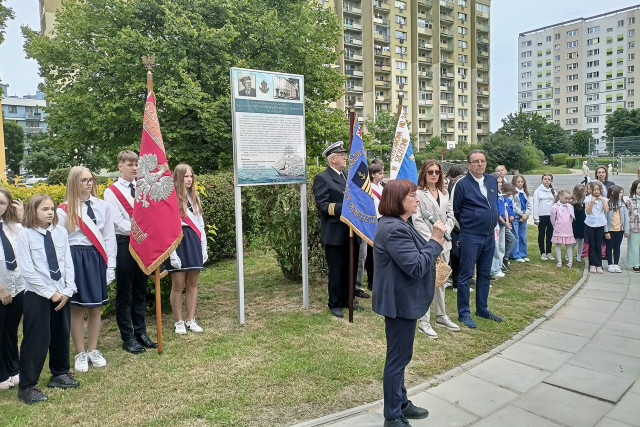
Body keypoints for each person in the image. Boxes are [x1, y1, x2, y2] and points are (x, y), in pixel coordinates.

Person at [372, 179, 446, 427]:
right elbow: (415, 267)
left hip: (402, 300)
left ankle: (401, 402)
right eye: (412, 195)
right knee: (397, 359)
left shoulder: (400, 223)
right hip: (399, 302)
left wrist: (432, 244)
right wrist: (435, 240)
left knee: (402, 356)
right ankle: (392, 415)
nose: (417, 199)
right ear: (398, 201)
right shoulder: (394, 228)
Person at [16, 195, 78, 404]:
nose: (50, 212)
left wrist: (69, 289)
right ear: (33, 211)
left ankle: (59, 373)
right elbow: (27, 270)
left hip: (62, 292)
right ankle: (27, 386)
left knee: (61, 334)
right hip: (38, 294)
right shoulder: (25, 235)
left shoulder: (60, 232)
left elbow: (67, 262)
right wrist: (49, 292)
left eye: (52, 208)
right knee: (37, 339)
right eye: (45, 209)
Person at [57, 167, 116, 373]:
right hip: (75, 258)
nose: (89, 183)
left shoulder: (102, 206)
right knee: (77, 308)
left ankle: (93, 349)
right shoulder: (63, 210)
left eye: (90, 179)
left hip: (96, 256)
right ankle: (80, 353)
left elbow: (109, 237)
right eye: (83, 180)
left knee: (96, 306)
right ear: (74, 183)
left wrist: (111, 265)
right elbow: (61, 243)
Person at [103, 150, 156, 353]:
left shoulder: (143, 187)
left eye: (136, 164)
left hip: (143, 244)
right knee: (125, 292)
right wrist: (141, 231)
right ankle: (128, 336)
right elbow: (117, 222)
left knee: (141, 289)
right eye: (130, 164)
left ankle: (141, 332)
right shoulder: (112, 192)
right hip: (125, 243)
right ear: (120, 166)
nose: (134, 168)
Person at [452, 149, 502, 329]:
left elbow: (494, 202)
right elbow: (455, 210)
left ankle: (482, 308)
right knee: (465, 276)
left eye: (482, 161)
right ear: (468, 165)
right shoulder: (462, 184)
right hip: (471, 236)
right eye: (475, 161)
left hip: (489, 235)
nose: (479, 164)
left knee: (484, 274)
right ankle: (463, 313)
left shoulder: (491, 180)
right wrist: (469, 225)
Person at [313, 141, 362, 318]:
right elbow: (323, 205)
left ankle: (348, 299)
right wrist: (347, 207)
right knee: (336, 269)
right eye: (342, 155)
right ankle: (334, 302)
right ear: (333, 159)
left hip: (351, 231)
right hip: (335, 232)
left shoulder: (347, 175)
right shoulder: (322, 178)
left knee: (351, 267)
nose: (345, 158)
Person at [413, 160, 459, 340]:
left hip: (444, 242)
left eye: (437, 172)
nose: (434, 175)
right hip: (428, 243)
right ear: (424, 173)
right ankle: (424, 321)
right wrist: (433, 237)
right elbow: (417, 220)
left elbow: (451, 215)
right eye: (430, 172)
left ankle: (441, 315)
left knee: (441, 280)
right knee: (427, 282)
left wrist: (444, 231)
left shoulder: (444, 192)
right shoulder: (418, 193)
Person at [166, 163, 207, 334]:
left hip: (194, 240)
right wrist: (172, 252)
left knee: (192, 283)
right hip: (178, 241)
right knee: (177, 284)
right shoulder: (170, 200)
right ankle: (178, 321)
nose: (189, 179)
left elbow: (201, 225)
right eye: (186, 176)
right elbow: (167, 228)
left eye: (191, 176)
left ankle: (191, 318)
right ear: (178, 177)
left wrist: (203, 247)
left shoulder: (194, 198)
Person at [0, 189, 23, 391]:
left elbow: (33, 242)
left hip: (18, 288)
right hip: (1, 289)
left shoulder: (13, 227)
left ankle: (14, 370)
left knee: (11, 332)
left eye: (2, 203)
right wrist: (1, 289)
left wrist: (22, 215)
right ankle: (2, 373)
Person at [360, 162, 385, 293]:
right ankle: (371, 281)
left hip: (382, 220)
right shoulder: (368, 187)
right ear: (373, 174)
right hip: (372, 221)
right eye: (380, 173)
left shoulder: (382, 187)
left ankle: (379, 278)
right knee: (371, 253)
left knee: (380, 252)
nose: (382, 175)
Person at [445, 165, 467, 290]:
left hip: (461, 227)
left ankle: (459, 281)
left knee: (461, 255)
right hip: (454, 226)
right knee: (456, 254)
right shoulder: (452, 188)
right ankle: (456, 282)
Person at [585, 181, 609, 274]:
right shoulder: (588, 199)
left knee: (599, 245)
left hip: (600, 224)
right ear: (590, 190)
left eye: (597, 189)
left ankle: (599, 265)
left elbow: (606, 210)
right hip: (590, 224)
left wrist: (602, 199)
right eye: (594, 189)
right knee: (592, 245)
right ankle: (592, 264)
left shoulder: (604, 199)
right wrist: (592, 201)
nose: (596, 191)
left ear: (601, 190)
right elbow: (588, 211)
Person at [604, 185, 629, 273]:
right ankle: (610, 264)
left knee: (617, 247)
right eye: (620, 192)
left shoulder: (623, 205)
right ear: (612, 193)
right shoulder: (607, 204)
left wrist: (626, 230)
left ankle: (616, 264)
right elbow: (605, 219)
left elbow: (626, 218)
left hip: (620, 230)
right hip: (610, 230)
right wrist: (606, 231)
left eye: (622, 192)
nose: (622, 194)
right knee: (609, 247)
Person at [550, 190, 576, 268]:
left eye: (569, 199)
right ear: (560, 196)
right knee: (558, 244)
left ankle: (570, 261)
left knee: (569, 245)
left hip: (568, 229)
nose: (567, 200)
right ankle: (559, 261)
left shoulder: (570, 207)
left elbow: (571, 218)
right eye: (565, 198)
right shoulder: (555, 207)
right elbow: (552, 219)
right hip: (559, 228)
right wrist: (556, 225)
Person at [533, 174, 555, 260]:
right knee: (541, 234)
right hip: (541, 216)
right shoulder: (537, 191)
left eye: (549, 179)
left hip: (551, 216)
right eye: (545, 179)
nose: (547, 181)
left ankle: (549, 252)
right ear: (541, 180)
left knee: (550, 234)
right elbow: (535, 205)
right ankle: (542, 252)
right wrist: (536, 218)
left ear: (551, 181)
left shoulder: (553, 191)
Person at [510, 174, 531, 262]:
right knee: (516, 236)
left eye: (522, 182)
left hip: (524, 216)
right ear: (514, 182)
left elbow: (529, 205)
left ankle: (522, 253)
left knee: (523, 236)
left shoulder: (525, 192)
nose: (520, 183)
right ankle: (515, 255)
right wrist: (522, 214)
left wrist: (526, 214)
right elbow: (513, 205)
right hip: (516, 216)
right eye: (518, 182)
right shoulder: (513, 192)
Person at [626, 179, 640, 272]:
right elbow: (626, 215)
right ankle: (636, 264)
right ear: (635, 189)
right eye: (639, 188)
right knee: (634, 247)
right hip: (634, 227)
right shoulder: (630, 201)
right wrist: (626, 229)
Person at [571, 184, 587, 264]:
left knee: (581, 240)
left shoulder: (584, 201)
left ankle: (579, 257)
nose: (586, 193)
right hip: (576, 223)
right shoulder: (573, 203)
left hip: (583, 222)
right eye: (584, 192)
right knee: (575, 240)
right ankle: (568, 254)